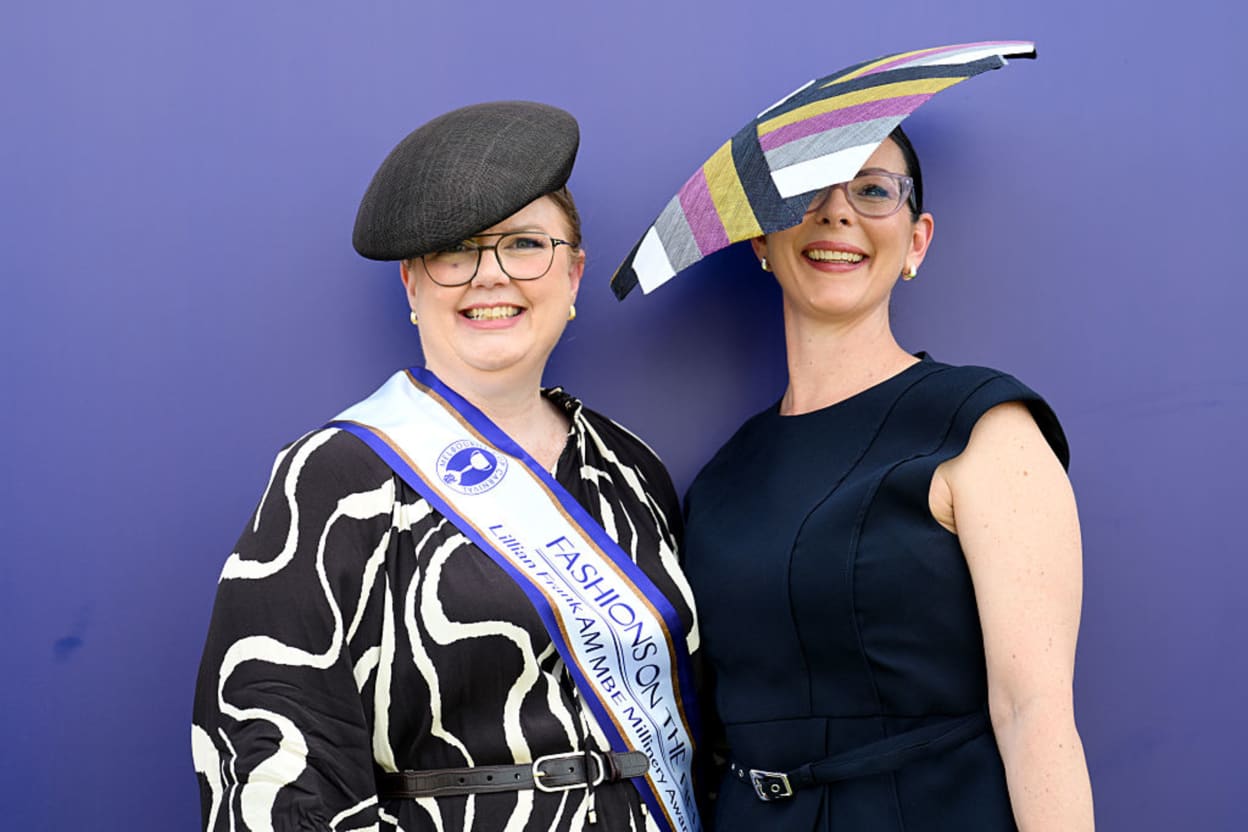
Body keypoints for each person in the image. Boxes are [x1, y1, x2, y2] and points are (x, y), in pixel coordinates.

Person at [193, 101, 702, 832]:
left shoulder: (630, 470)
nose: (490, 277)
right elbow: (272, 758)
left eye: (525, 244)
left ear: (574, 276)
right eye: (457, 250)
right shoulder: (337, 477)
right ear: (412, 283)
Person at [681, 127, 1094, 830]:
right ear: (760, 239)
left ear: (917, 240)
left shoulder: (983, 429)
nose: (838, 212)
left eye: (873, 191)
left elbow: (1034, 715)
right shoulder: (720, 478)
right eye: (806, 191)